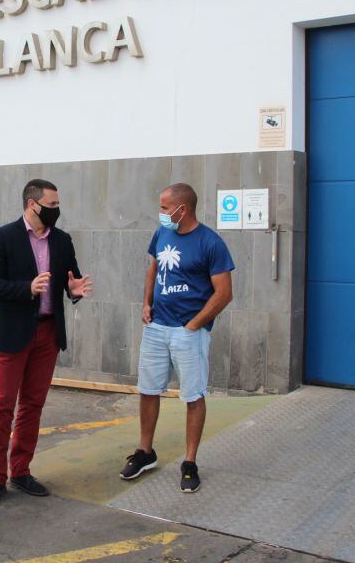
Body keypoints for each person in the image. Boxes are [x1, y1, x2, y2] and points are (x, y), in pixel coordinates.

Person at [0, 179, 94, 507]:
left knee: (33, 405)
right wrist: (26, 288)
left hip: (47, 334)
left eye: (58, 205)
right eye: (52, 205)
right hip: (13, 332)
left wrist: (75, 291)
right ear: (33, 204)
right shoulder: (3, 237)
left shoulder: (62, 240)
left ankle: (21, 470)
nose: (57, 210)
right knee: (2, 407)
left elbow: (72, 280)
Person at [119, 183, 234, 493]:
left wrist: (194, 325)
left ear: (183, 209)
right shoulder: (162, 234)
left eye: (166, 208)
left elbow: (224, 293)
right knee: (148, 390)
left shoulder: (211, 243)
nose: (162, 213)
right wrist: (146, 304)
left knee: (193, 396)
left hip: (188, 333)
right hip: (156, 327)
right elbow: (153, 269)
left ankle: (190, 462)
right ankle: (145, 452)